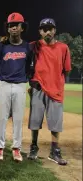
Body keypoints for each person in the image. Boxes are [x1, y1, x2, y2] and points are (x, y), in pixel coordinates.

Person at [27, 18, 71, 165]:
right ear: (40, 31)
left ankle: (54, 152)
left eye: (50, 28)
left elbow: (66, 70)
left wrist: (57, 84)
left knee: (55, 123)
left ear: (54, 30)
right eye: (44, 29)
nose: (47, 31)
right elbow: (20, 53)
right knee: (34, 121)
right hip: (38, 88)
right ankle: (34, 147)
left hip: (56, 90)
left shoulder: (63, 48)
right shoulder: (33, 46)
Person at [0, 13, 32, 162]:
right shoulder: (0, 46)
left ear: (22, 28)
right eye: (11, 25)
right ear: (7, 29)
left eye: (16, 25)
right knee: (1, 118)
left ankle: (16, 148)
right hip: (4, 84)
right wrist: (1, 80)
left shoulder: (27, 47)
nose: (13, 27)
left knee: (18, 118)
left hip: (20, 85)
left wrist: (24, 79)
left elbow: (29, 67)